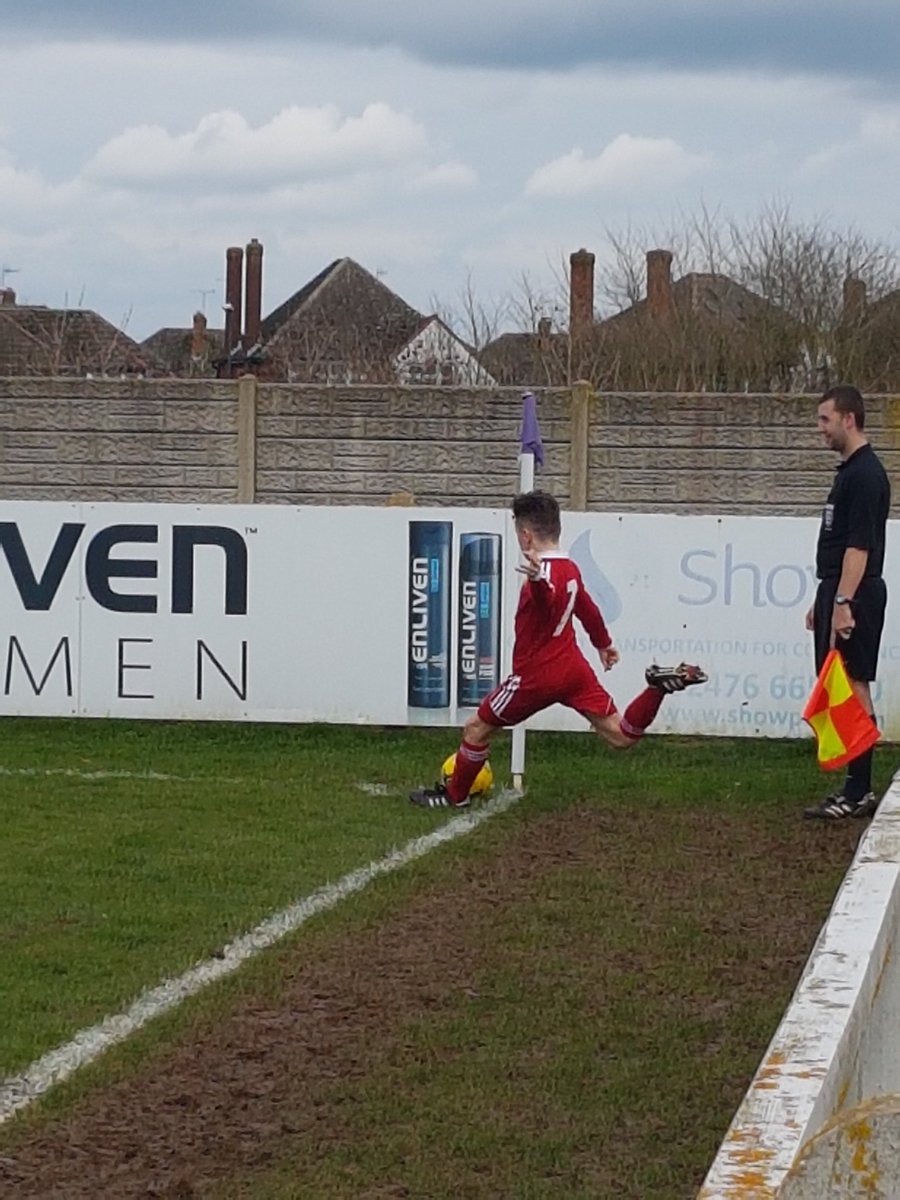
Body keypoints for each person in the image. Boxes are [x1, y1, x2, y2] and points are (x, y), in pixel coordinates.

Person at [410, 490, 707, 809]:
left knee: (476, 728)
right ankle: (656, 689)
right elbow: (588, 608)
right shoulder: (571, 568)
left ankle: (455, 797)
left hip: (536, 676)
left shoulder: (542, 574)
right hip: (572, 669)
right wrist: (603, 643)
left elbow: (547, 602)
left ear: (525, 535)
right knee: (620, 735)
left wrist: (537, 581)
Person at [803, 385, 890, 821]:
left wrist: (843, 600)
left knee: (854, 684)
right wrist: (824, 599)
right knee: (842, 682)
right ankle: (856, 786)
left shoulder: (867, 475)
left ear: (848, 419)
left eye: (824, 419)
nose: (820, 429)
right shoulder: (848, 472)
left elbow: (859, 548)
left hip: (856, 592)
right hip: (838, 589)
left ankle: (858, 791)